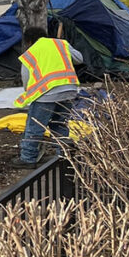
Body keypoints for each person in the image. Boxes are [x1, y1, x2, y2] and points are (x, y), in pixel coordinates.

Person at [14, 26, 84, 168]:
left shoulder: (31, 53)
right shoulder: (61, 44)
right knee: (60, 124)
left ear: (28, 41)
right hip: (69, 90)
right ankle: (64, 156)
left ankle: (28, 158)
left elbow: (26, 78)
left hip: (45, 95)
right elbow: (79, 59)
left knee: (35, 127)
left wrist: (30, 94)